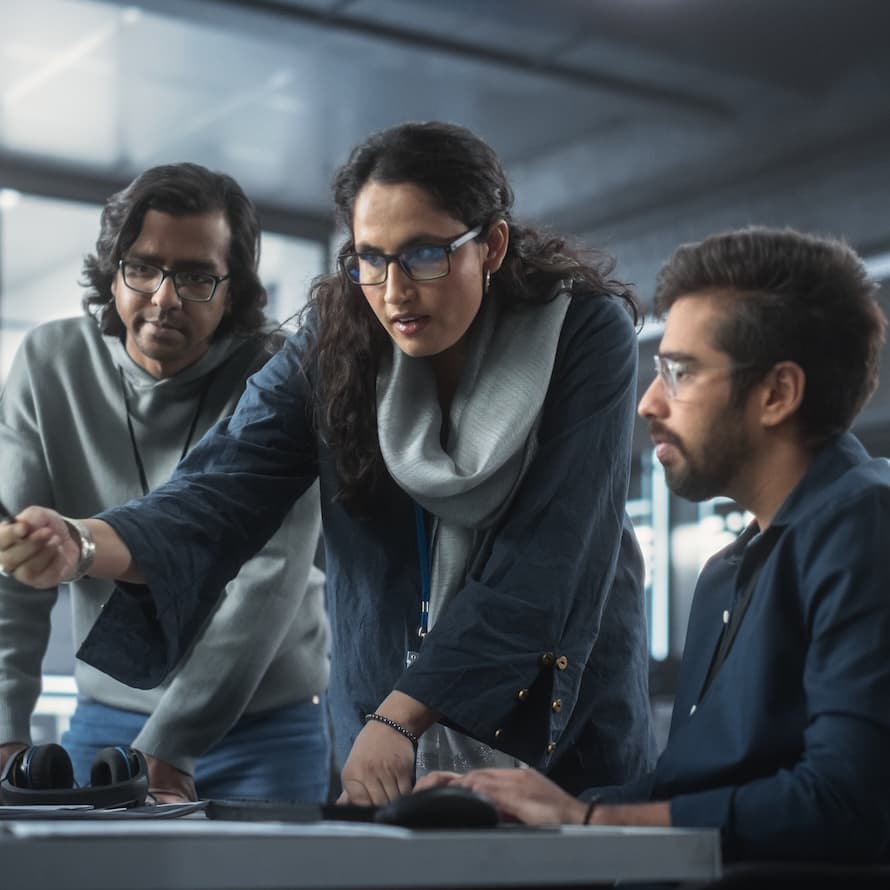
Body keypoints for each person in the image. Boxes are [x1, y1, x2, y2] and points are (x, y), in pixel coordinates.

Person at [0, 121, 657, 805]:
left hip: (546, 722)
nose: (394, 290)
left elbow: (547, 560)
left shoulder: (583, 332)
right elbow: (219, 489)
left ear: (490, 245)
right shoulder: (340, 337)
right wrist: (81, 544)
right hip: (379, 724)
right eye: (370, 258)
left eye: (424, 254)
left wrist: (403, 714)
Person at [416, 226, 890, 865]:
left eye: (680, 373)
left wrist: (587, 817)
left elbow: (847, 802)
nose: (647, 402)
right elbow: (691, 789)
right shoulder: (730, 568)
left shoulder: (864, 521)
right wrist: (527, 804)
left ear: (777, 394)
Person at [0, 162, 331, 804]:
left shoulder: (280, 376)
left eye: (196, 276)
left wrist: (172, 744)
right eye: (144, 267)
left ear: (232, 290)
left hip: (265, 724)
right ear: (113, 269)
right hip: (107, 720)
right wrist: (6, 730)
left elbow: (270, 577)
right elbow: (12, 566)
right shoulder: (49, 363)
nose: (164, 297)